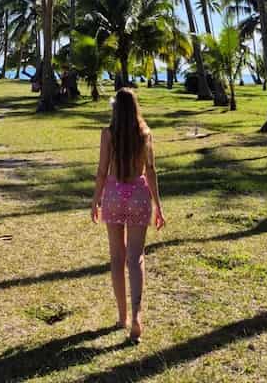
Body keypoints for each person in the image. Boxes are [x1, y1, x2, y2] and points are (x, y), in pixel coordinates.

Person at [90, 87, 165, 343]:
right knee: (136, 258)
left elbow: (101, 171)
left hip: (112, 195)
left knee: (116, 258)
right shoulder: (145, 133)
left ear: (115, 109)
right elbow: (151, 171)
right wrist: (158, 206)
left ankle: (122, 316)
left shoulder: (108, 134)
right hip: (139, 197)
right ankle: (136, 317)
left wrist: (95, 201)